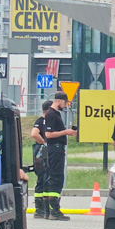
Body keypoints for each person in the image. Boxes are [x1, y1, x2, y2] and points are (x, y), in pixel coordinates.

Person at [42, 91, 77, 221]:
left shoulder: (54, 114)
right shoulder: (52, 114)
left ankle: (47, 210)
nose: (65, 105)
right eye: (64, 102)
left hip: (54, 149)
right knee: (56, 177)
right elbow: (49, 134)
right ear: (58, 101)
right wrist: (66, 132)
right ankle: (54, 211)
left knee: (50, 176)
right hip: (55, 149)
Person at [31, 100, 52, 219]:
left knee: (42, 178)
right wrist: (44, 143)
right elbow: (34, 134)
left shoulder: (42, 121)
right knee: (45, 177)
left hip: (40, 151)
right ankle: (41, 208)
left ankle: (40, 208)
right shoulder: (42, 121)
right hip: (43, 150)